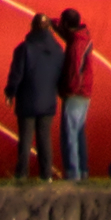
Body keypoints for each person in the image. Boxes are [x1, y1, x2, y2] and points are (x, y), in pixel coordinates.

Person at [10, 12, 68, 179]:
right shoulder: (58, 50)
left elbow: (17, 74)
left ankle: (21, 174)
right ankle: (46, 174)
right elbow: (61, 75)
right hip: (48, 100)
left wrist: (10, 91)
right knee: (44, 139)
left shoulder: (24, 48)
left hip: (27, 100)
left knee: (26, 140)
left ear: (33, 27)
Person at [59, 12, 96, 185]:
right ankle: (83, 170)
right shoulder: (83, 36)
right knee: (79, 132)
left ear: (67, 24)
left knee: (70, 134)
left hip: (77, 94)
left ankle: (73, 173)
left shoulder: (76, 45)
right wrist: (53, 23)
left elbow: (74, 71)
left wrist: (68, 91)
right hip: (85, 93)